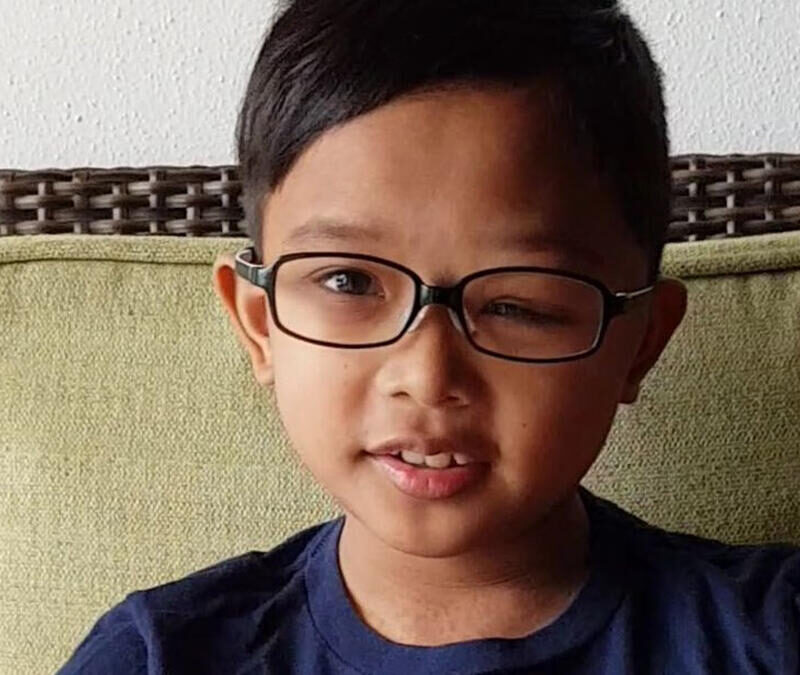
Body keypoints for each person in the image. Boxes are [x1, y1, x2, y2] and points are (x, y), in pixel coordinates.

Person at [57, 1, 799, 673]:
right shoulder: (159, 654)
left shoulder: (768, 631)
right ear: (260, 325)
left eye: (519, 303)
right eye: (349, 282)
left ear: (641, 342)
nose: (426, 371)